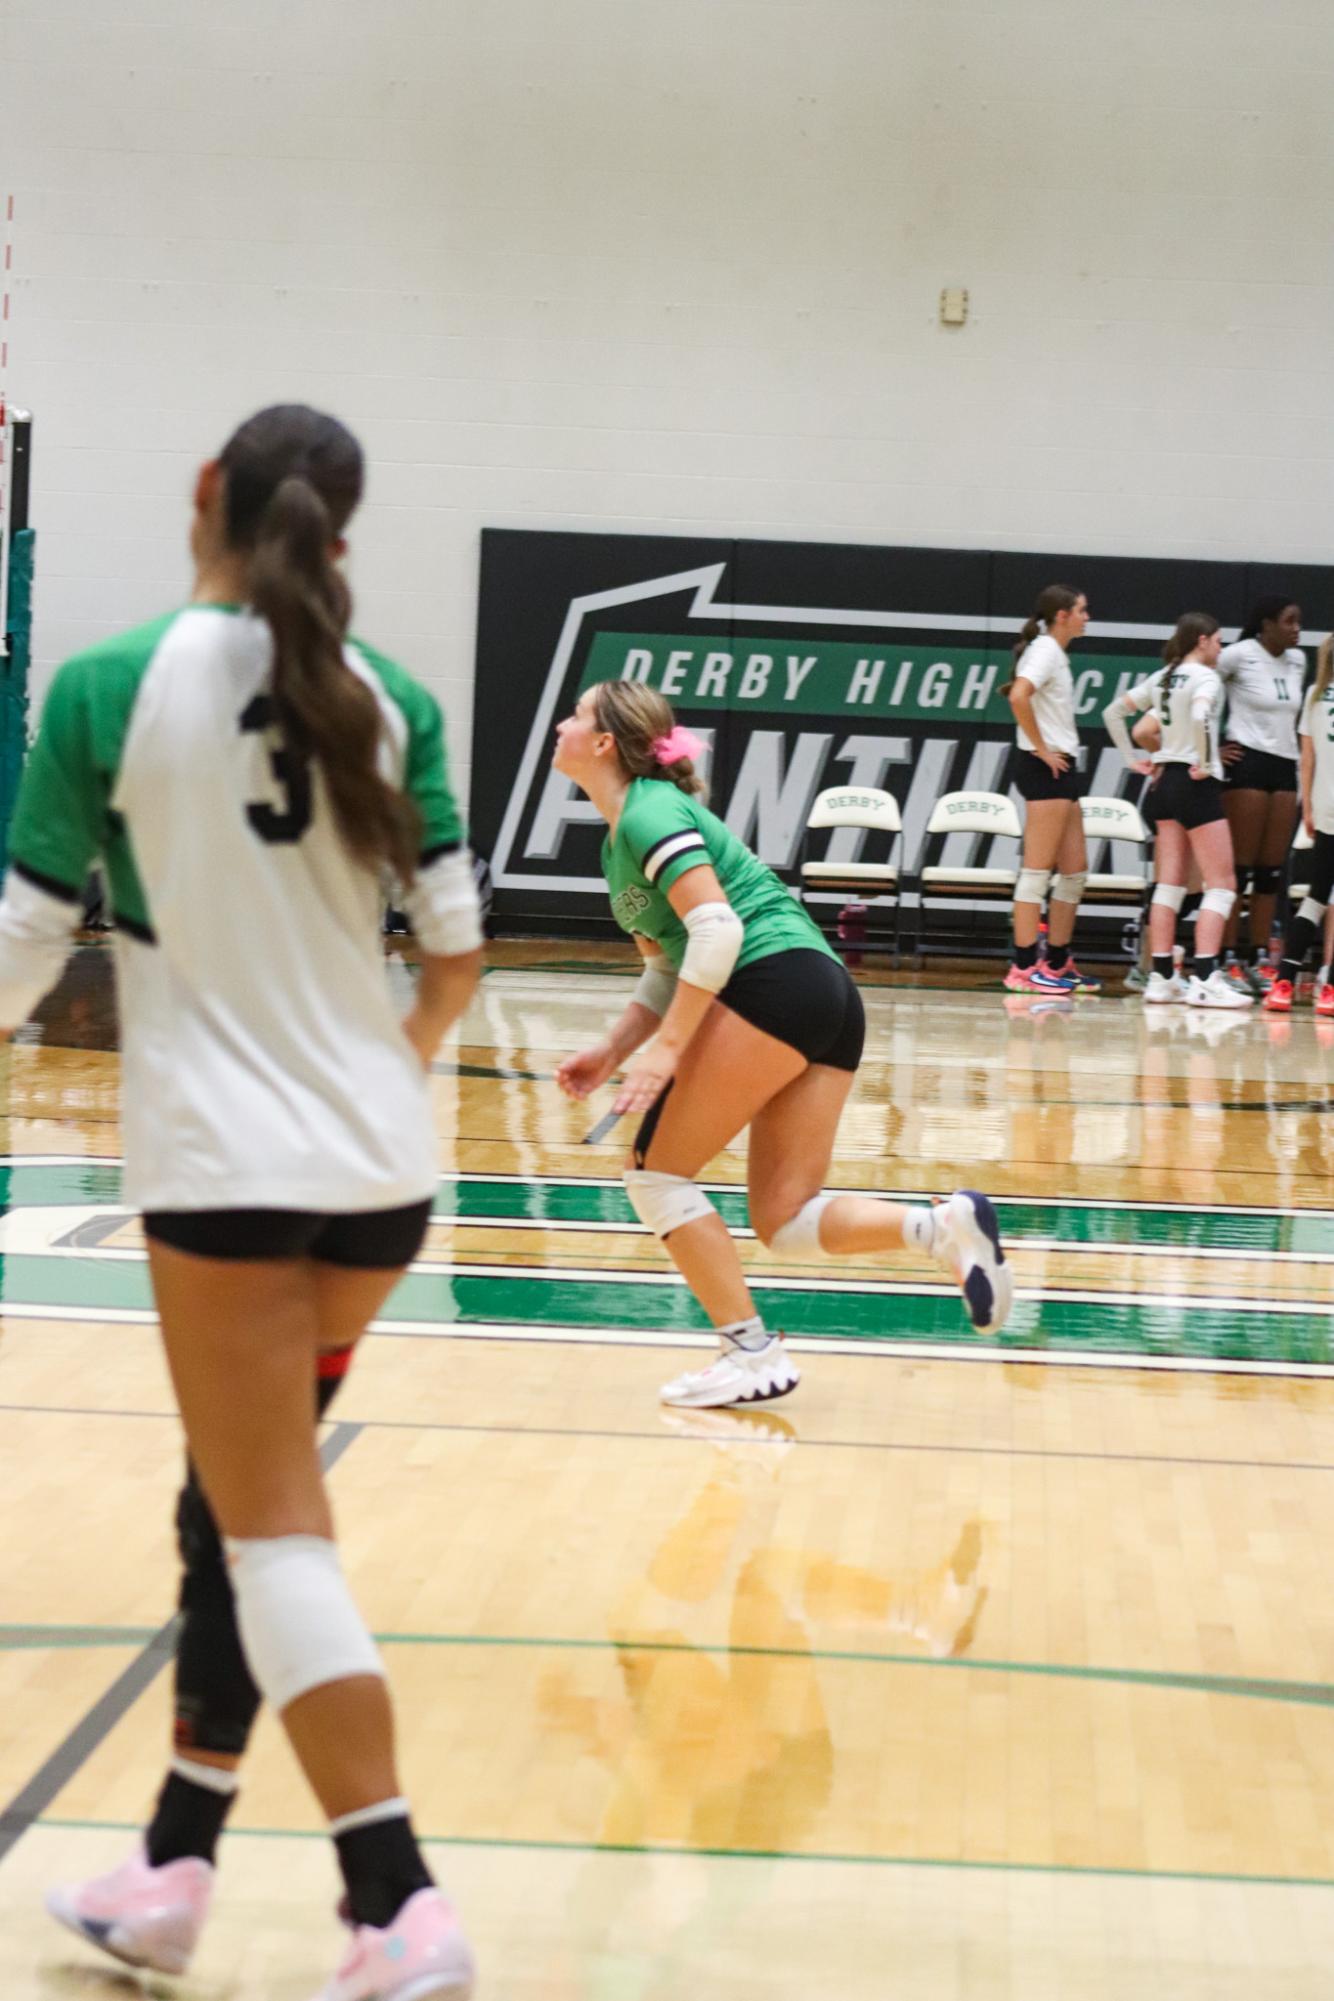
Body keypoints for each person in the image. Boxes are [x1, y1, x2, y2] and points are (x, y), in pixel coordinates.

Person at [8, 405, 484, 2000]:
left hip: (225, 1171)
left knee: (273, 1531)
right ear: (336, 538)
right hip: (380, 1173)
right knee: (232, 1501)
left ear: (201, 494)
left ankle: (395, 1902)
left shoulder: (103, 685)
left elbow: (19, 953)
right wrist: (376, 1069)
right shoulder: (393, 695)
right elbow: (462, 955)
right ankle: (172, 1868)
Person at [552, 680, 1012, 1410]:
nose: (560, 725)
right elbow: (670, 966)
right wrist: (614, 1048)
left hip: (775, 982)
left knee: (655, 1175)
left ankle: (750, 1351)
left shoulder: (647, 810)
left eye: (575, 715)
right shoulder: (624, 836)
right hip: (821, 991)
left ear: (605, 742)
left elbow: (718, 931)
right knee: (784, 1216)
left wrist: (666, 1052)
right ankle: (941, 1227)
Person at [1103, 612, 1251, 1010]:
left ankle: (1162, 976)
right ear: (1201, 641)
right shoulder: (1205, 678)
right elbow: (1202, 716)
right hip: (1194, 785)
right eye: (1218, 642)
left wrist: (1133, 760)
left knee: (1168, 885)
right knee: (1221, 884)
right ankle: (1205, 977)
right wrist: (1204, 761)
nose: (1221, 650)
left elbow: (1114, 713)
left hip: (1163, 784)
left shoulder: (1165, 676)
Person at [1002, 585, 1100, 995]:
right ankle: (1024, 968)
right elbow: (1018, 696)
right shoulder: (1043, 650)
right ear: (1062, 615)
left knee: (1074, 872)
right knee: (1037, 872)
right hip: (1045, 767)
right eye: (1082, 609)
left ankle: (1057, 962)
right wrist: (1042, 749)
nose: (1087, 617)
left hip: (1062, 767)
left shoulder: (1056, 653)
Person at [1217, 597, 1305, 993]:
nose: (1296, 629)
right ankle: (1227, 958)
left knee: (1271, 873)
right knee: (1240, 870)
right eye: (1289, 622)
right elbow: (1193, 688)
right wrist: (1210, 748)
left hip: (1285, 765)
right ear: (1266, 624)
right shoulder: (1237, 655)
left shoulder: (1299, 661)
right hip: (1247, 762)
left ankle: (1259, 958)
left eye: (1299, 623)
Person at [1264, 636, 1334, 1015]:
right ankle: (1330, 990)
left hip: (1324, 806)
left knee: (1315, 897)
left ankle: (1284, 983)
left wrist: (1307, 806)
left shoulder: (1314, 694)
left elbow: (1305, 761)